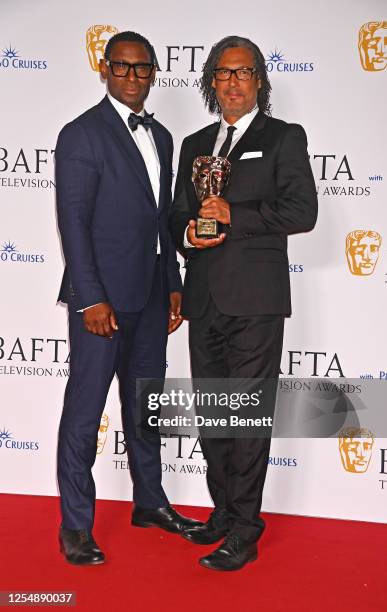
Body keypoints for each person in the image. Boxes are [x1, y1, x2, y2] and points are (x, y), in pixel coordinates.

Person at [169, 35, 318, 571]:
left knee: (248, 417)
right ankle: (223, 513)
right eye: (223, 73)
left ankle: (246, 529)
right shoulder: (193, 144)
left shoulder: (282, 138)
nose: (233, 82)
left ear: (259, 81)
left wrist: (236, 217)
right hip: (203, 298)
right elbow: (177, 214)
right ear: (211, 81)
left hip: (255, 300)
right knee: (213, 416)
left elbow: (303, 211)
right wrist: (190, 230)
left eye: (243, 72)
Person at [56, 30, 201, 566]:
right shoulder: (81, 134)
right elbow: (73, 222)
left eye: (142, 69)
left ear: (154, 73)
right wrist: (89, 297)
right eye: (123, 67)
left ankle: (151, 503)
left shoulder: (162, 137)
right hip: (102, 306)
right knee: (84, 412)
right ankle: (75, 525)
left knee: (145, 411)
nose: (133, 77)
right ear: (104, 69)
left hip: (149, 298)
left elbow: (161, 221)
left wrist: (174, 284)